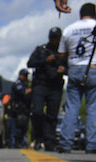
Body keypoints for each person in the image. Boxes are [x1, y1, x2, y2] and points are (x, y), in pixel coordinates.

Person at [58, 3, 96, 153]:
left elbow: (61, 54)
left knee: (72, 107)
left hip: (74, 69)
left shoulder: (69, 29)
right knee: (93, 107)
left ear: (80, 14)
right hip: (93, 68)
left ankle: (65, 143)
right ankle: (92, 144)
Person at [28, 27, 66, 151]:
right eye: (52, 37)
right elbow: (30, 63)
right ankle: (38, 138)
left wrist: (63, 69)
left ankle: (50, 142)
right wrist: (45, 60)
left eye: (56, 38)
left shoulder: (63, 52)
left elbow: (70, 66)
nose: (54, 40)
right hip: (40, 85)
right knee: (37, 112)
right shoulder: (41, 49)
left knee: (52, 115)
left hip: (55, 86)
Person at [10, 69, 32, 148]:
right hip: (18, 110)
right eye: (24, 75)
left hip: (24, 110)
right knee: (16, 129)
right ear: (20, 75)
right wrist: (33, 89)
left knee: (23, 128)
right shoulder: (18, 84)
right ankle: (14, 145)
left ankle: (22, 144)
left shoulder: (24, 84)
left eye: (26, 75)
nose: (25, 77)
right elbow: (23, 92)